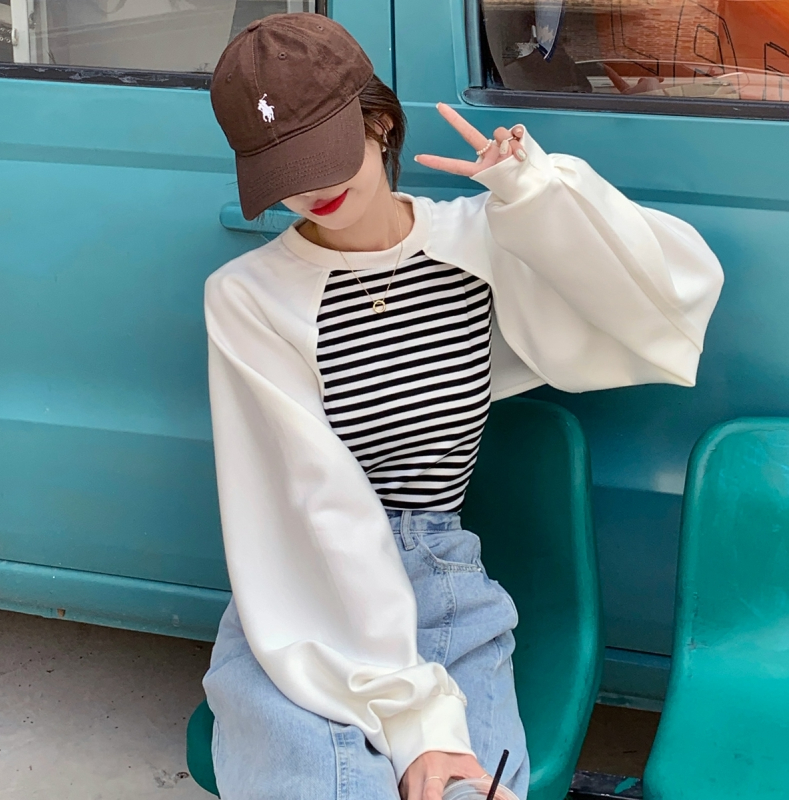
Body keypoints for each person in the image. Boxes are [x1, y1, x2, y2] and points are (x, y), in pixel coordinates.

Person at [201, 13, 723, 800]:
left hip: (441, 570)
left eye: (322, 155)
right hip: (303, 585)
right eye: (283, 171)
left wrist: (540, 198)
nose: (310, 190)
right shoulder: (247, 296)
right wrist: (413, 714)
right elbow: (312, 500)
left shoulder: (476, 240)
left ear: (379, 122)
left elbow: (665, 303)